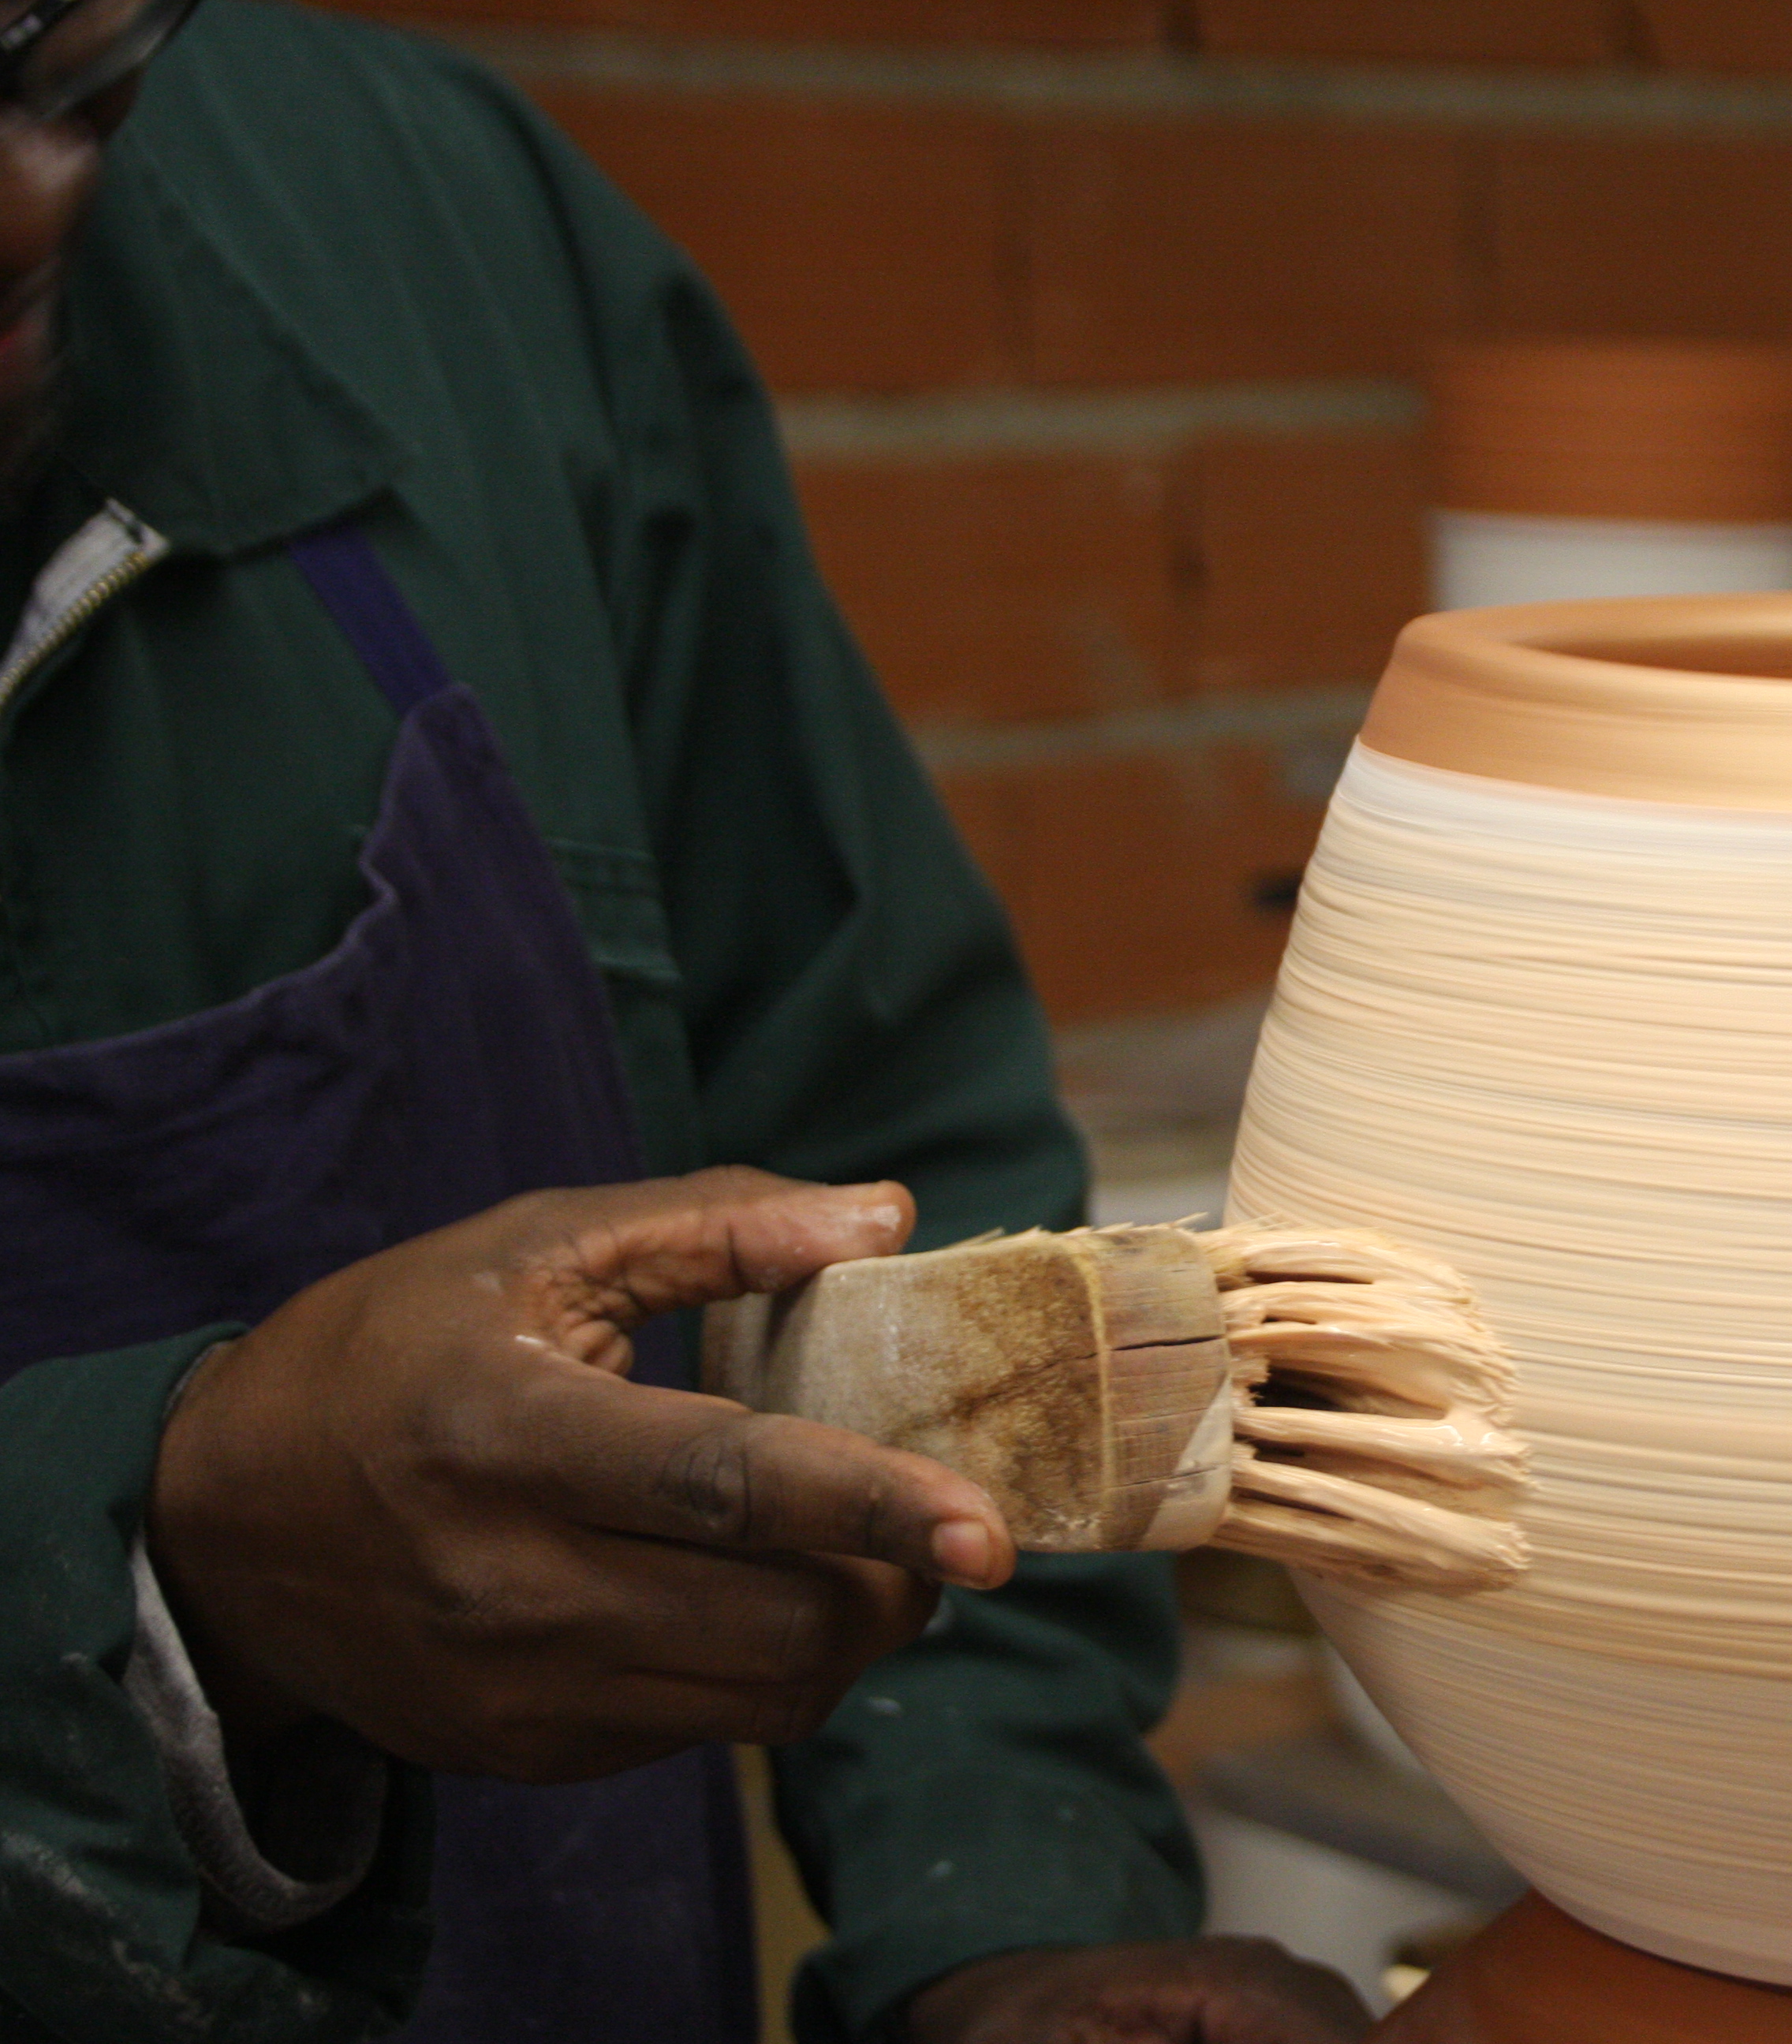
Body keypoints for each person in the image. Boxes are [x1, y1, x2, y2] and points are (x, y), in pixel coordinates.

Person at [0, 1, 1373, 2038]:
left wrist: (1000, 1906)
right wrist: (146, 1587)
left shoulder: (428, 231)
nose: (38, 183)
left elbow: (893, 1152)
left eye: (61, 46)